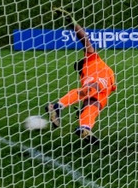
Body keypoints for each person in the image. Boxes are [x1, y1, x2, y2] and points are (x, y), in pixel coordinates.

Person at [45, 9, 117, 145]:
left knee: (92, 106)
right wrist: (74, 24)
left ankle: (85, 128)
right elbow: (85, 40)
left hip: (105, 90)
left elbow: (85, 41)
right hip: (101, 84)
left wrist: (72, 24)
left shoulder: (88, 67)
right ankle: (58, 106)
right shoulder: (91, 62)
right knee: (89, 94)